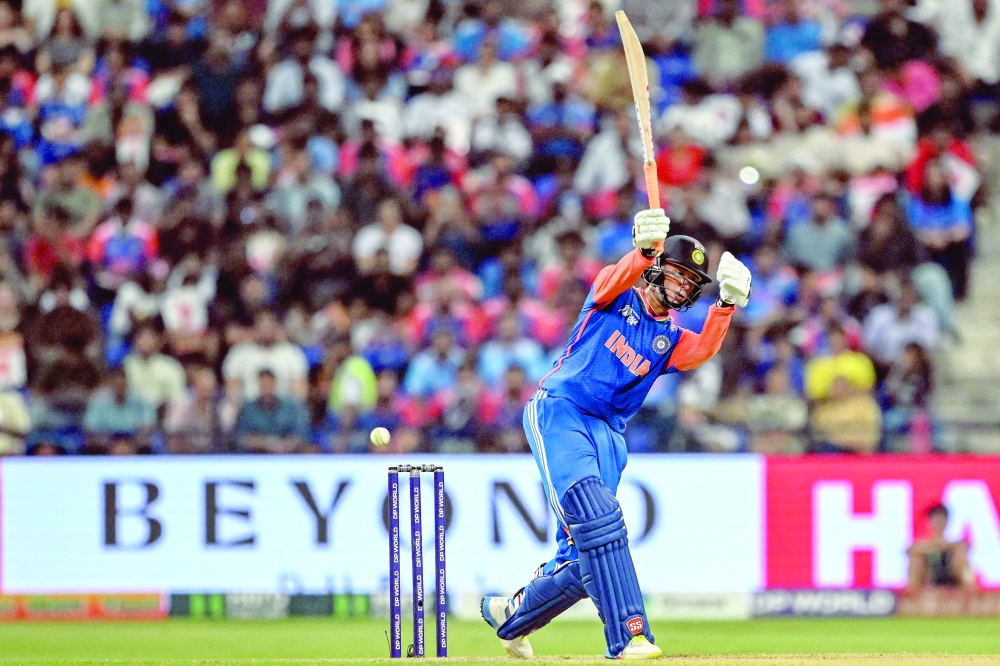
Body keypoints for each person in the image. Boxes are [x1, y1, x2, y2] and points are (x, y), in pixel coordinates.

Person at [481, 209, 752, 659]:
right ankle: (630, 635)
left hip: (609, 434)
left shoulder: (669, 336)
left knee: (585, 554)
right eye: (679, 275)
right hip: (562, 411)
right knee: (599, 518)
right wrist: (643, 251)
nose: (684, 287)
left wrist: (725, 306)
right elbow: (613, 276)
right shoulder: (614, 296)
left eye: (693, 283)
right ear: (659, 269)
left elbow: (702, 349)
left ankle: (512, 615)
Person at [907, 504, 976, 591]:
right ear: (930, 521)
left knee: (960, 556)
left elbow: (963, 547)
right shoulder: (920, 544)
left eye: (942, 518)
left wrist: (940, 547)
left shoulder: (956, 545)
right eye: (936, 519)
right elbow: (913, 550)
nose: (939, 522)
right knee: (916, 560)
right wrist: (937, 547)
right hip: (929, 576)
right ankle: (913, 593)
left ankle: (970, 589)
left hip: (951, 574)